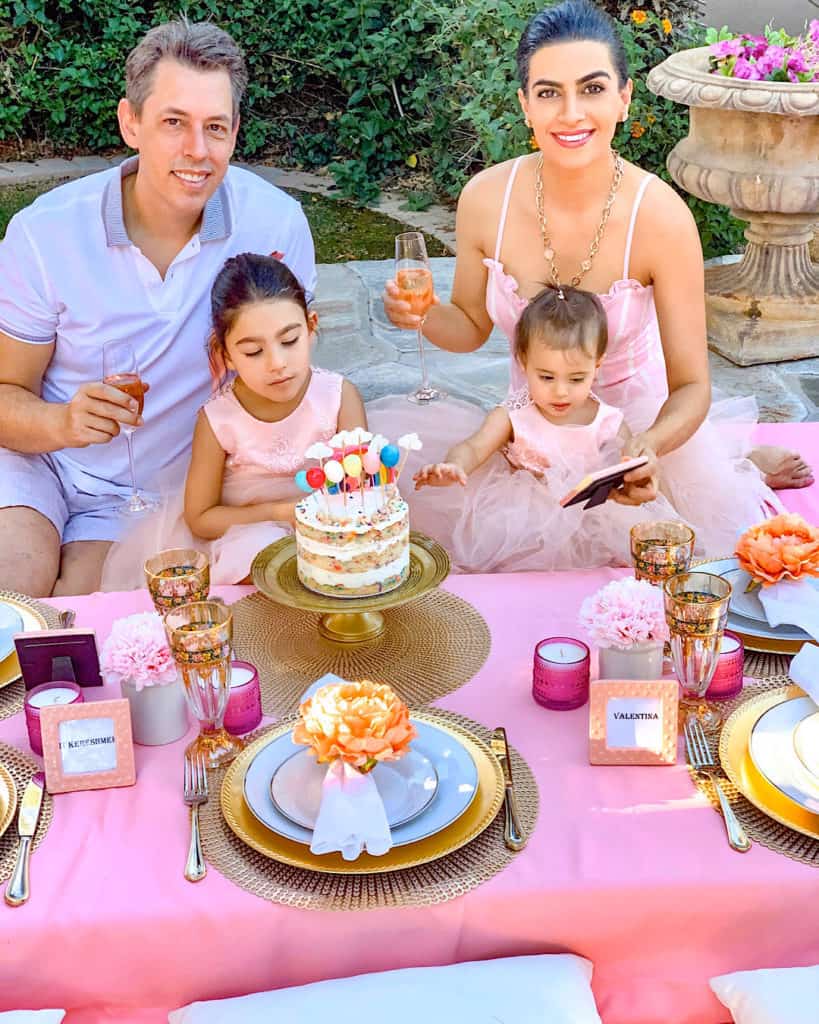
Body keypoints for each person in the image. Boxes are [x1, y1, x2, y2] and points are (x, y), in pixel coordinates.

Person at [378, 0, 810, 541]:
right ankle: (738, 451)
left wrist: (648, 447)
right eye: (548, 93)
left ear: (624, 98)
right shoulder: (485, 199)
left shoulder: (661, 217)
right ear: (525, 105)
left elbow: (693, 385)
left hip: (631, 429)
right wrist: (422, 315)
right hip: (531, 427)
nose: (571, 113)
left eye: (593, 88)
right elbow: (468, 324)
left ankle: (732, 455)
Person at [0, 20, 316, 597]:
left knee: (93, 623)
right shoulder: (43, 233)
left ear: (235, 132)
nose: (197, 150)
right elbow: (4, 393)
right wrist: (62, 423)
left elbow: (294, 375)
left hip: (171, 489)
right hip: (39, 464)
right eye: (174, 123)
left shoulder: (275, 224)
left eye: (214, 127)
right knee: (12, 593)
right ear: (131, 123)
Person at [102, 254, 366, 587]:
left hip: (333, 525)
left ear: (311, 327)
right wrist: (278, 513)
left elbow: (364, 489)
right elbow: (201, 518)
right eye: (253, 351)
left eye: (289, 341)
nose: (277, 363)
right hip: (251, 532)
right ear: (225, 354)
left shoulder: (338, 397)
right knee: (262, 558)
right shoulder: (219, 418)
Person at [408, 284, 688, 571]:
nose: (561, 392)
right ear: (524, 362)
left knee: (609, 565)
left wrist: (636, 481)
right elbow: (474, 446)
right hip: (520, 525)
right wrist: (455, 466)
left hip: (591, 520)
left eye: (577, 379)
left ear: (598, 365)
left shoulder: (608, 421)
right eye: (546, 377)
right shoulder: (512, 415)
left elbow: (633, 467)